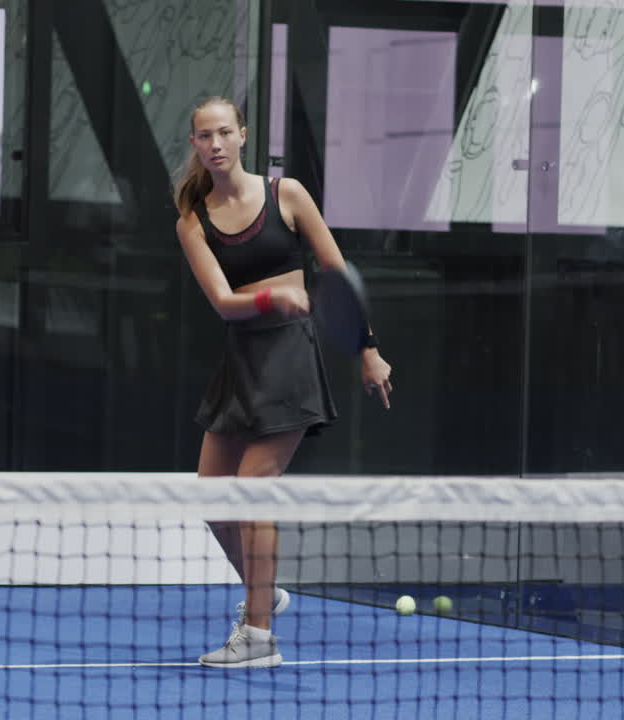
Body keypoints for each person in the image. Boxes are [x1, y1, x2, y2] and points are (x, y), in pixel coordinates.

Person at [173, 96, 394, 668]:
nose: (215, 143)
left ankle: (260, 637)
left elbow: (337, 274)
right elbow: (224, 303)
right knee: (211, 497)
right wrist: (274, 295)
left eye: (224, 132)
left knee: (252, 490)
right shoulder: (192, 222)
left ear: (242, 135)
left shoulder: (286, 195)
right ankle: (263, 590)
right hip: (240, 360)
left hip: (291, 359)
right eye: (204, 135)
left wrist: (368, 351)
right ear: (195, 144)